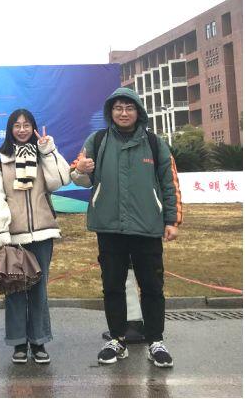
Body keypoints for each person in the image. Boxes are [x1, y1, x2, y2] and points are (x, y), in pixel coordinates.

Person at [71, 87, 182, 368]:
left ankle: (155, 341)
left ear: (138, 112)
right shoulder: (97, 140)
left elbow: (169, 184)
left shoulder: (154, 143)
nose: (123, 113)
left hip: (147, 227)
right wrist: (80, 170)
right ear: (110, 112)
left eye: (129, 108)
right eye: (118, 108)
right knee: (112, 287)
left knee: (152, 287)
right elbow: (80, 178)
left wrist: (171, 220)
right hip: (109, 227)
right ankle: (117, 340)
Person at [0, 108, 71, 364]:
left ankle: (39, 341)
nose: (21, 130)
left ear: (33, 128)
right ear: (9, 129)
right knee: (15, 290)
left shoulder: (43, 154)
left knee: (39, 290)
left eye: (26, 125)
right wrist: (1, 231)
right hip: (13, 236)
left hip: (43, 233)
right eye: (17, 125)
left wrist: (48, 150)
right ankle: (19, 343)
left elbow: (60, 180)